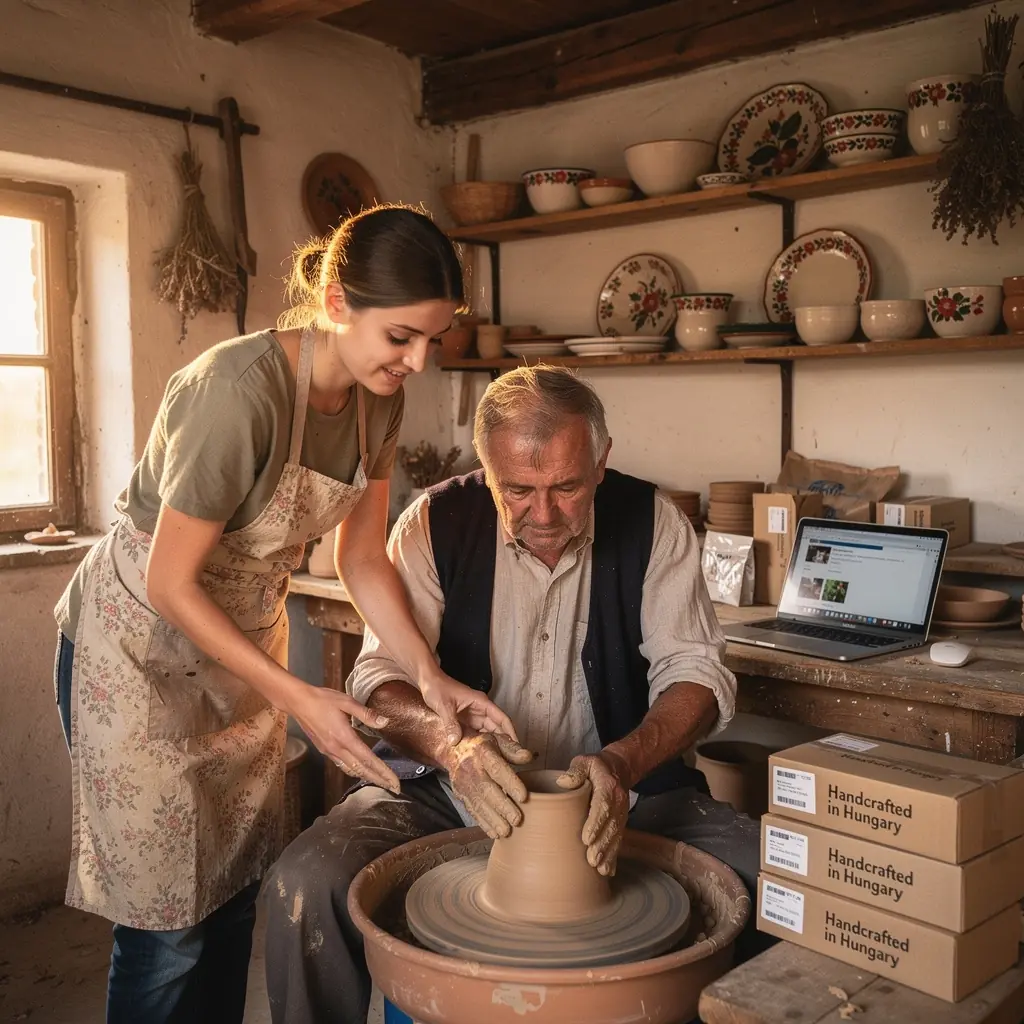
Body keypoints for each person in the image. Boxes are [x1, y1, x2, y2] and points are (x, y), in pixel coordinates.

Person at [51, 204, 514, 1024]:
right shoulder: (236, 389)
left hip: (238, 653)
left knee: (231, 894)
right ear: (337, 302)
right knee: (169, 927)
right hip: (139, 650)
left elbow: (362, 559)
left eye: (431, 341)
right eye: (400, 336)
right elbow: (170, 582)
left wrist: (429, 675)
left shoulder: (378, 402)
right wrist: (300, 694)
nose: (416, 360)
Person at [265, 365, 764, 1024]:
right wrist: (452, 747)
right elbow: (378, 680)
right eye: (518, 490)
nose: (545, 513)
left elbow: (697, 674)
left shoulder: (655, 523)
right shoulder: (433, 524)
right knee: (303, 884)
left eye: (567, 486)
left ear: (601, 461)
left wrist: (622, 764)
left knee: (773, 878)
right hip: (447, 789)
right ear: (486, 466)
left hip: (624, 794)